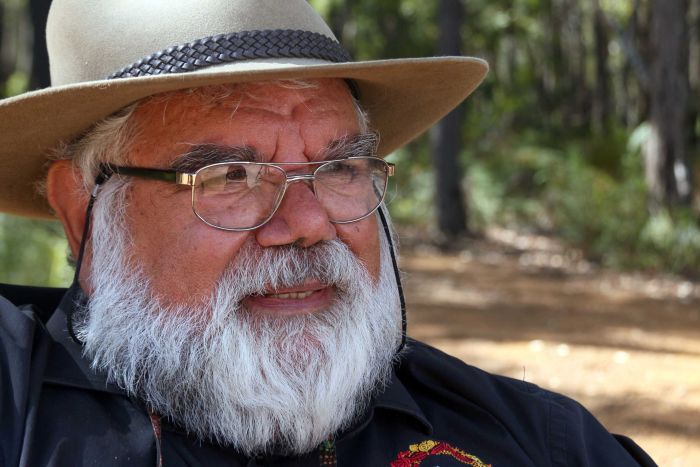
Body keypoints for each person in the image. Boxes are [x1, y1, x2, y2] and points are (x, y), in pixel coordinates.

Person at [0, 0, 656, 466]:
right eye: (230, 175)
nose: (310, 222)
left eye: (339, 168)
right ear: (81, 207)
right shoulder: (17, 400)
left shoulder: (538, 440)